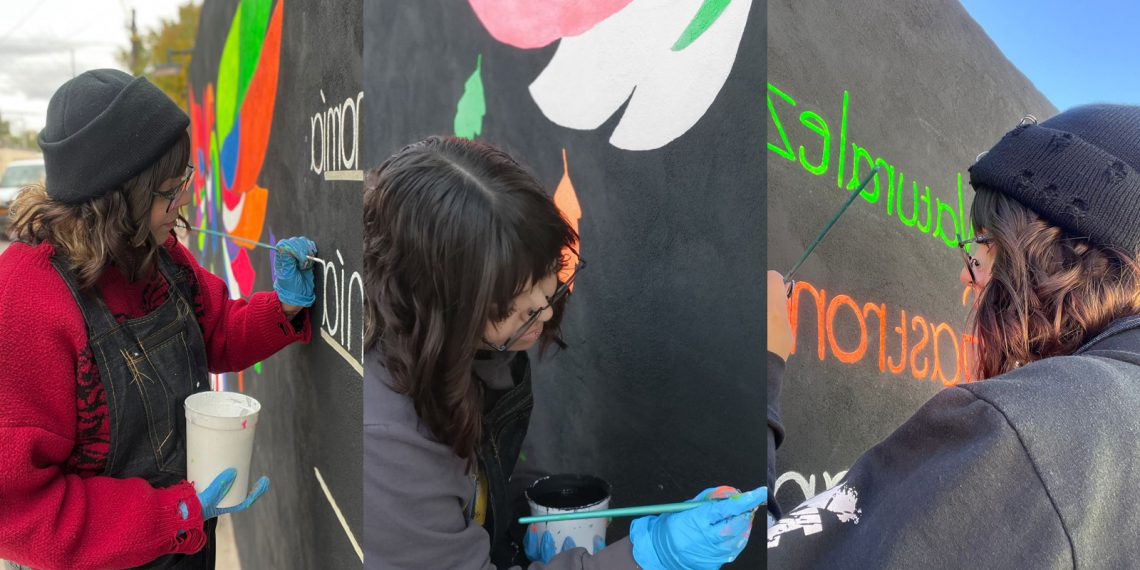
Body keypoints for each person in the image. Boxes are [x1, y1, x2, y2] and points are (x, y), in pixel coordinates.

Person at [362, 136, 763, 569]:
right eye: (507, 306)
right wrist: (650, 555)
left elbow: (472, 473)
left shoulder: (483, 341)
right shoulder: (387, 442)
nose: (540, 307)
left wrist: (520, 510)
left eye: (548, 271)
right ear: (440, 308)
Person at [767, 104, 1140, 567]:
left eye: (981, 251)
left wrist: (759, 373)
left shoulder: (1022, 436)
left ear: (1044, 260)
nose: (968, 279)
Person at [0, 69, 318, 569]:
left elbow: (216, 333)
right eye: (171, 190)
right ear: (117, 197)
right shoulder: (26, 298)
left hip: (182, 543)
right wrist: (171, 513)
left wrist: (284, 308)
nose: (186, 200)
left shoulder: (156, 252)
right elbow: (19, 513)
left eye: (186, 181)